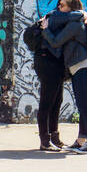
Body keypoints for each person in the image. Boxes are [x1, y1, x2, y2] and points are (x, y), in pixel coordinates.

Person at [40, 0, 87, 154]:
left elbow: (56, 41)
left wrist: (45, 30)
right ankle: (81, 141)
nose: (59, 8)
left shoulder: (74, 25)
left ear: (71, 8)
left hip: (84, 68)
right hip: (80, 68)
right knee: (82, 105)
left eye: (63, 6)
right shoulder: (75, 20)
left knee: (85, 106)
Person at [23, 16, 67, 151]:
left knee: (57, 101)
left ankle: (54, 137)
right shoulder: (54, 18)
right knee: (47, 102)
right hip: (47, 63)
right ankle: (45, 141)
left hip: (55, 63)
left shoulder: (58, 18)